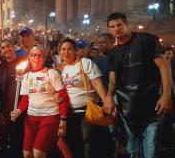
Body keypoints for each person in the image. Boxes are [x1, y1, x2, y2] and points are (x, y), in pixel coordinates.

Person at [106, 12, 173, 158]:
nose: (116, 28)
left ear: (126, 25)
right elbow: (112, 80)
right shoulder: (113, 53)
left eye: (119, 25)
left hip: (153, 107)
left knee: (151, 151)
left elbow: (163, 67)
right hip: (127, 110)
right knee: (132, 151)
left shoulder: (145, 40)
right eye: (112, 26)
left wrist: (166, 95)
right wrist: (108, 97)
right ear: (109, 30)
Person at [59, 38, 115, 158]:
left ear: (75, 51)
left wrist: (107, 102)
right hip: (70, 113)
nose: (66, 52)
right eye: (63, 49)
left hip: (87, 111)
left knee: (88, 143)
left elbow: (97, 84)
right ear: (59, 52)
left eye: (69, 49)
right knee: (73, 143)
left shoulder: (85, 63)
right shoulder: (61, 69)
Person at [10, 46, 70, 158]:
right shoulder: (26, 76)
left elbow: (63, 97)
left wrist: (63, 119)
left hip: (50, 116)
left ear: (43, 58)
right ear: (29, 57)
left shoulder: (51, 73)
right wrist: (18, 111)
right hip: (31, 118)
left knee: (38, 153)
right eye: (33, 55)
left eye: (39, 55)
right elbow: (25, 99)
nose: (36, 57)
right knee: (27, 154)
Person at [0, 39, 25, 158]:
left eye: (8, 46)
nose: (6, 49)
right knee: (3, 141)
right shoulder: (0, 67)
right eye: (3, 48)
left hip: (20, 109)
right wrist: (0, 111)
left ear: (13, 47)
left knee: (18, 140)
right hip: (5, 110)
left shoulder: (23, 63)